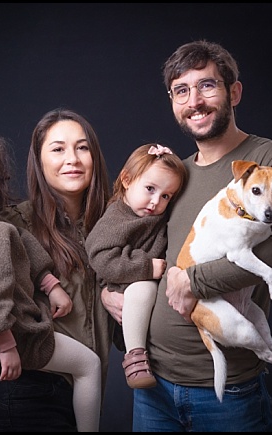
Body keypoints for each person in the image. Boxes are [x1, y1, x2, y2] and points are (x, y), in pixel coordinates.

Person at [100, 39, 272, 431]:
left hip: (229, 391)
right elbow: (131, 242)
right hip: (153, 387)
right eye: (182, 91)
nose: (194, 100)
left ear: (235, 92)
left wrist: (194, 281)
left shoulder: (271, 158)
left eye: (206, 86)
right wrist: (108, 291)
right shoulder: (172, 175)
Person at [0, 108, 116, 431]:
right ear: (39, 162)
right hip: (24, 385)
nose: (72, 158)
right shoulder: (9, 221)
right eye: (57, 149)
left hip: (73, 394)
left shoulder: (112, 225)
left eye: (82, 147)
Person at [85, 143, 187, 389]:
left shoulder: (154, 216)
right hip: (126, 290)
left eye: (165, 196)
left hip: (154, 305)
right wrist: (147, 268)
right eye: (150, 189)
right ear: (127, 180)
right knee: (142, 288)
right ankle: (135, 359)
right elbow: (100, 257)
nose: (155, 202)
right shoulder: (116, 217)